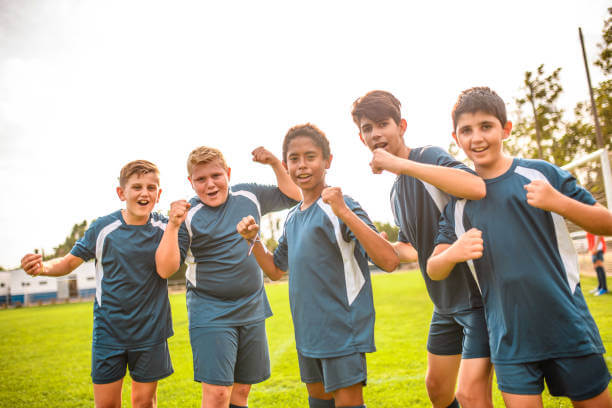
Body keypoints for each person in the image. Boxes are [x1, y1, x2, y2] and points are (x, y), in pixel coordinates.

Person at [427, 86, 612, 408]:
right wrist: (454, 252)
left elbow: (606, 222)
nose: (477, 138)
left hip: (567, 326)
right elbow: (434, 267)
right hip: (509, 339)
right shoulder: (458, 203)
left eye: (486, 126)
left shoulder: (539, 173)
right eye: (466, 131)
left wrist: (558, 202)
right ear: (455, 138)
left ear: (506, 129)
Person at [236, 123, 399, 408]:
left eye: (310, 157)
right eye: (294, 159)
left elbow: (388, 260)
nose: (302, 165)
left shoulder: (341, 206)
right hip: (307, 332)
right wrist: (254, 239)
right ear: (285, 166)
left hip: (341, 332)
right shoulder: (292, 218)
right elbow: (275, 271)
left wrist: (344, 211)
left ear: (327, 161)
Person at [351, 90, 491, 408]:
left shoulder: (428, 156)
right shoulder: (395, 192)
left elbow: (474, 185)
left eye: (382, 124)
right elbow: (412, 250)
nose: (375, 133)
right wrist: (374, 243)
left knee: (472, 396)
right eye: (367, 128)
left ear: (401, 126)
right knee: (438, 390)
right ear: (361, 138)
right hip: (443, 303)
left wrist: (400, 163)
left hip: (478, 298)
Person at [155, 146, 301, 408]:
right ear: (191, 182)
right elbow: (166, 270)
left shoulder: (249, 194)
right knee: (218, 394)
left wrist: (274, 164)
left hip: (251, 306)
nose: (210, 184)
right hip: (210, 310)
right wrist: (173, 224)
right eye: (201, 179)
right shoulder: (188, 216)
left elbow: (293, 196)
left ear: (228, 173)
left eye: (216, 176)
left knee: (241, 392)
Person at [20, 160, 174, 408]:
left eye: (151, 187)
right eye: (136, 187)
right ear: (121, 193)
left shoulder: (167, 228)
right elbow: (69, 262)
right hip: (109, 331)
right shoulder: (103, 228)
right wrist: (43, 268)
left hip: (151, 331)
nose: (144, 193)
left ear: (159, 193)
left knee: (144, 402)